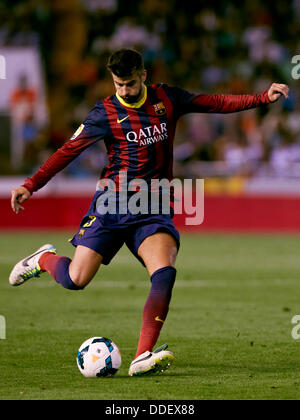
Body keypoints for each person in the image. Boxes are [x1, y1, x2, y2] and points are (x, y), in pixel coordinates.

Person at [9, 49, 289, 376]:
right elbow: (68, 151)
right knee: (75, 280)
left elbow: (214, 102)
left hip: (152, 206)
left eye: (129, 83)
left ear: (143, 74)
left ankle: (143, 355)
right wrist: (31, 184)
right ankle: (43, 259)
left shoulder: (166, 98)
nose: (124, 90)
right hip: (111, 206)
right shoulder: (105, 113)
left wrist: (261, 98)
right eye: (118, 84)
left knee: (164, 271)